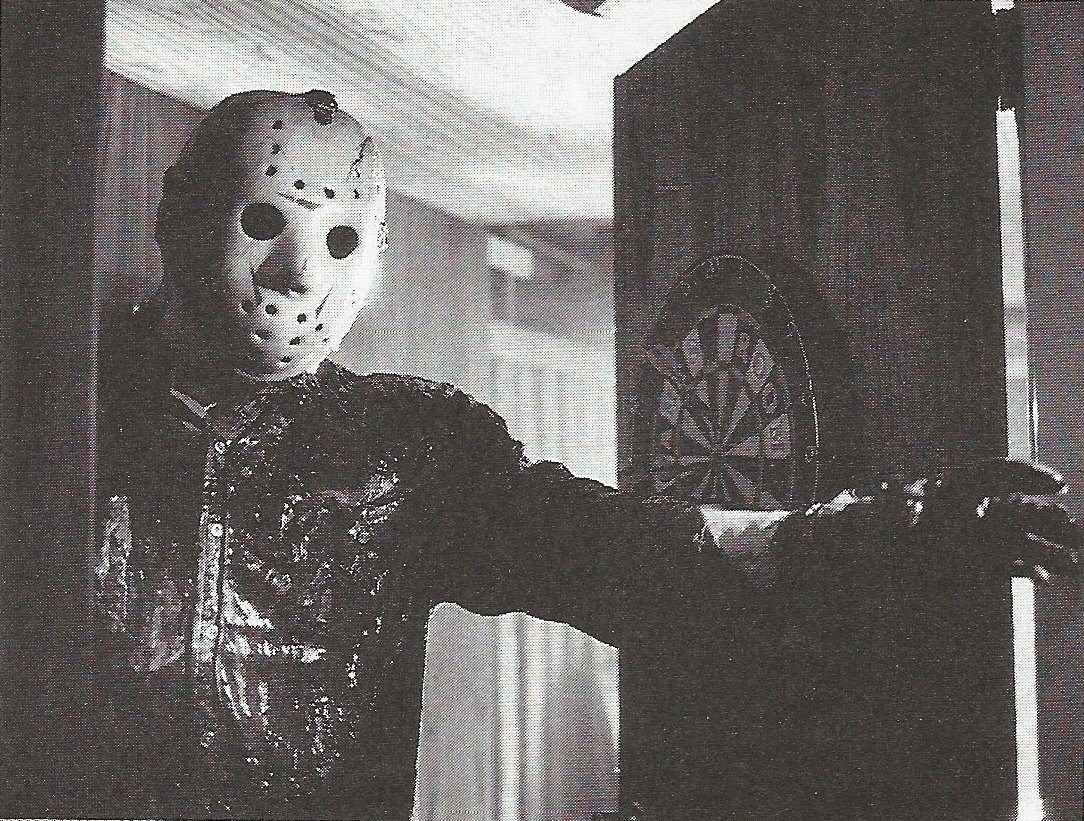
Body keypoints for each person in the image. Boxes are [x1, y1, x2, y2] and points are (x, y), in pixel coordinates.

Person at [94, 89, 1079, 820]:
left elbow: (623, 552)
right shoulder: (60, 409)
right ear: (182, 212)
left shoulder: (404, 450)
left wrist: (876, 531)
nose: (299, 272)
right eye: (265, 218)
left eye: (341, 238)